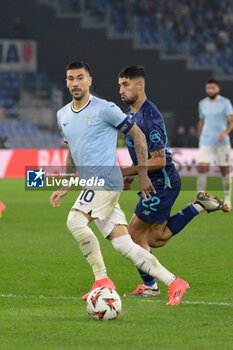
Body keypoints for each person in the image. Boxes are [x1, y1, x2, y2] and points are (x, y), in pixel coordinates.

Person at [50, 61, 189, 306]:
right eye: (70, 78)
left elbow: (138, 135)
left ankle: (102, 280)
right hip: (90, 183)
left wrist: (143, 174)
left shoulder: (106, 108)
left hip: (105, 180)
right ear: (66, 82)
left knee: (75, 220)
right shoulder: (62, 115)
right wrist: (66, 184)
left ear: (89, 80)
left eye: (80, 78)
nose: (75, 83)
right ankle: (174, 282)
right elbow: (72, 150)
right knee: (124, 244)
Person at [118, 65, 229, 297]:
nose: (121, 89)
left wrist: (127, 172)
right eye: (119, 84)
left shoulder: (150, 117)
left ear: (139, 85)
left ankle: (151, 286)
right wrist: (135, 174)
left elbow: (159, 160)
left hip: (162, 184)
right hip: (158, 183)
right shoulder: (131, 115)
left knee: (133, 236)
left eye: (125, 84)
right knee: (156, 238)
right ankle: (198, 206)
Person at [197, 78, 233, 210]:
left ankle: (228, 198)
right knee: (202, 167)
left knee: (224, 169)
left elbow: (231, 121)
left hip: (222, 142)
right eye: (208, 88)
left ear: (217, 89)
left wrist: (225, 132)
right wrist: (200, 136)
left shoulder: (225, 102)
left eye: (213, 88)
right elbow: (202, 121)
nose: (210, 90)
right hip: (206, 141)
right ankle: (198, 199)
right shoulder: (202, 103)